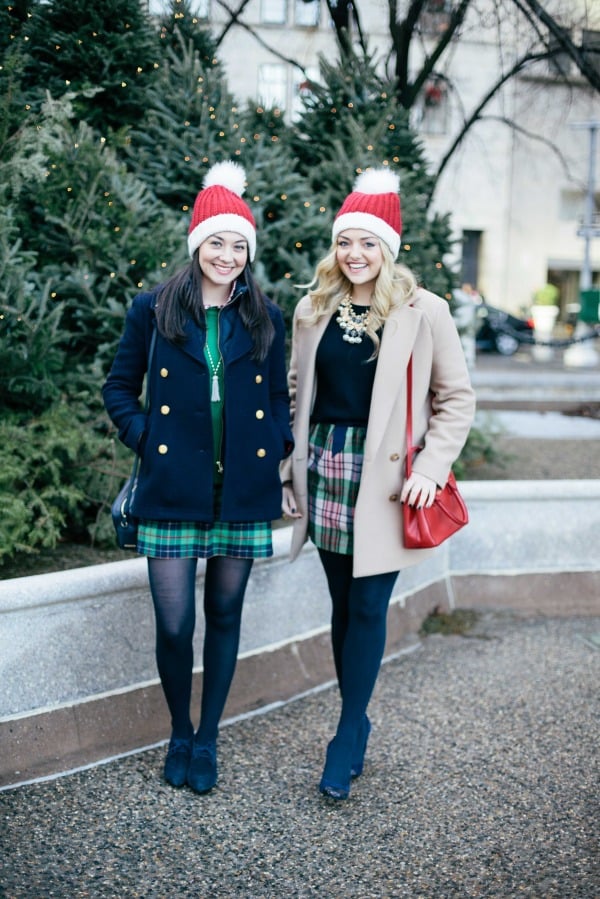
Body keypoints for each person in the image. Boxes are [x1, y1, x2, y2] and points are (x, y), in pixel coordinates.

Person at [281, 168, 475, 800]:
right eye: (345, 243)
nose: (355, 254)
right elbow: (294, 395)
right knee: (343, 605)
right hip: (325, 467)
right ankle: (357, 718)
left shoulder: (425, 312)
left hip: (388, 478)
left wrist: (430, 466)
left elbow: (457, 399)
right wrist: (289, 469)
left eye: (367, 243)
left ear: (387, 247)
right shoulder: (313, 310)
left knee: (368, 605)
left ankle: (344, 734)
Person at [103, 161, 293, 794]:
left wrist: (278, 445)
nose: (228, 255)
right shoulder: (152, 310)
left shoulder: (266, 317)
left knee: (226, 613)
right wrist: (147, 441)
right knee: (176, 624)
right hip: (171, 491)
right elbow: (117, 389)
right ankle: (178, 732)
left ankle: (208, 738)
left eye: (239, 245)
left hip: (240, 491)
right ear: (196, 244)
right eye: (217, 241)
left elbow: (279, 400)